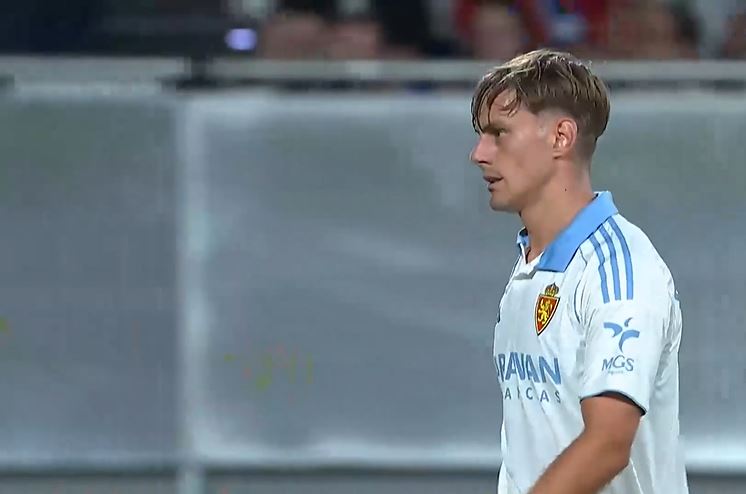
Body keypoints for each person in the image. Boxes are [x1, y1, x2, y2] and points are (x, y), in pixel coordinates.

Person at [469, 49, 688, 494]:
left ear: (561, 137)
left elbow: (607, 444)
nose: (479, 154)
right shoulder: (529, 267)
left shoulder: (619, 271)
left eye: (499, 134)